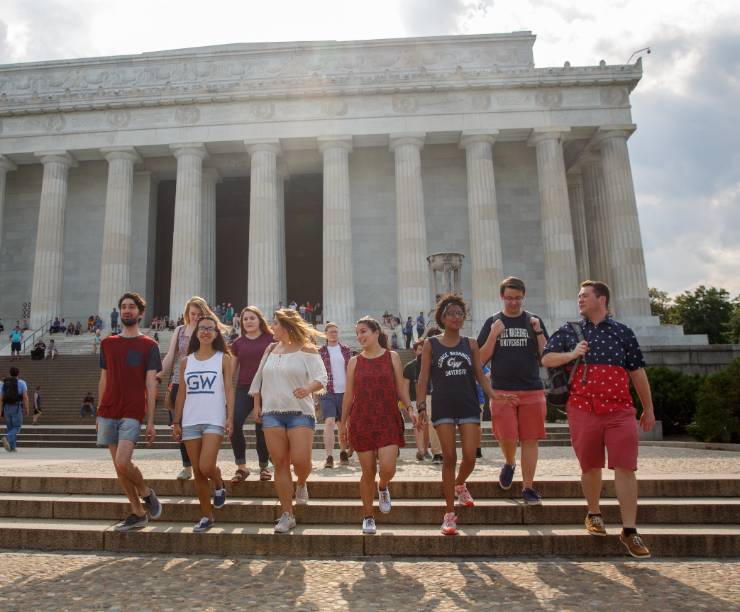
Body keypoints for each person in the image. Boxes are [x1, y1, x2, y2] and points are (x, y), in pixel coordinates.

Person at [541, 280, 656, 559]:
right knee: (590, 466)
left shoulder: (622, 332)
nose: (580, 300)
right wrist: (572, 353)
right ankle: (593, 512)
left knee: (626, 467)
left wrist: (648, 408)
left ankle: (630, 531)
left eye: (585, 296)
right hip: (583, 408)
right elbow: (546, 358)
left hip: (620, 409)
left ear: (601, 299)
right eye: (579, 296)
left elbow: (637, 371)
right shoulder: (571, 331)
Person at [417, 293, 504, 536]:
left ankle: (459, 484)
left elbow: (479, 374)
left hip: (467, 404)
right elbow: (423, 377)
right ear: (442, 318)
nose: (457, 317)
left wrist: (494, 395)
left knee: (470, 456)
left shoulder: (471, 343)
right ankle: (449, 514)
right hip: (443, 405)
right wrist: (422, 405)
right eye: (451, 313)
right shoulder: (431, 344)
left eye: (460, 313)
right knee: (449, 458)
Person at [249, 308, 328, 534]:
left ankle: (301, 482)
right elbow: (259, 379)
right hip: (272, 412)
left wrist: (308, 388)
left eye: (275, 324)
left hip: (300, 412)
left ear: (286, 326)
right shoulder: (271, 349)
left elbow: (321, 377)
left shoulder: (307, 349)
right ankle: (287, 514)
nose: (272, 327)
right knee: (280, 463)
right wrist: (257, 406)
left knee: (302, 461)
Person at [339, 317, 417, 535]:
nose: (360, 336)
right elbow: (348, 396)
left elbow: (401, 388)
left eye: (363, 331)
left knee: (388, 468)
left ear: (375, 333)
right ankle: (368, 516)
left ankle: (382, 487)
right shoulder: (354, 362)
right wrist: (342, 425)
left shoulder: (392, 357)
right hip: (362, 419)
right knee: (367, 471)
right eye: (357, 333)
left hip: (387, 417)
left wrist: (410, 409)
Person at [477, 276, 549, 504]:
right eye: (509, 298)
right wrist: (493, 335)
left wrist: (538, 332)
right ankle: (509, 462)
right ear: (502, 297)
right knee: (507, 436)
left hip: (532, 389)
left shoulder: (533, 321)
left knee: (530, 440)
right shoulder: (492, 322)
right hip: (502, 391)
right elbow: (480, 358)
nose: (514, 303)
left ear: (523, 297)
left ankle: (528, 487)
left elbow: (546, 357)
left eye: (518, 298)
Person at [96, 292, 163, 531]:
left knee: (123, 462)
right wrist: (98, 412)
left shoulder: (149, 346)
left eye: (131, 307)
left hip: (133, 410)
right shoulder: (107, 343)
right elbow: (104, 379)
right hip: (108, 410)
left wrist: (152, 421)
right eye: (123, 307)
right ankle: (137, 511)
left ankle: (146, 491)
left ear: (140, 313)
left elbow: (150, 384)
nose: (127, 310)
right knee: (118, 466)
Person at [173, 315, 234, 532]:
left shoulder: (223, 359)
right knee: (198, 473)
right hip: (190, 419)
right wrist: (176, 421)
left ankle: (218, 483)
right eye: (202, 328)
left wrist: (230, 416)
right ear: (196, 333)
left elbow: (229, 389)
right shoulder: (186, 361)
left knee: (206, 466)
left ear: (217, 334)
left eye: (210, 328)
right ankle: (207, 516)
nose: (206, 331)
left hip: (214, 418)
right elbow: (182, 393)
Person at [159, 296, 223, 480]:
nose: (195, 317)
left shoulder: (208, 331)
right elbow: (171, 355)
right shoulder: (179, 330)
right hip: (179, 381)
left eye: (199, 314)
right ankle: (187, 466)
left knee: (200, 424)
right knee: (179, 424)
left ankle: (204, 463)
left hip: (201, 382)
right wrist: (159, 374)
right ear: (187, 314)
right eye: (192, 314)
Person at [229, 306, 274, 483]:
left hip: (266, 389)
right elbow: (231, 370)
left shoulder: (271, 340)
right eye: (245, 319)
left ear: (260, 320)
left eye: (251, 318)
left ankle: (264, 467)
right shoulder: (238, 343)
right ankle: (241, 467)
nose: (248, 321)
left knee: (261, 428)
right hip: (243, 389)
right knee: (234, 424)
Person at [318, 322, 352, 469]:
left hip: (344, 392)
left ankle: (343, 452)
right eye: (331, 332)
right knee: (329, 422)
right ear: (326, 334)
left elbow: (352, 370)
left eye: (336, 332)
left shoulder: (346, 350)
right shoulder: (320, 352)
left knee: (342, 425)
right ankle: (329, 456)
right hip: (328, 392)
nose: (334, 334)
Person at [403, 339, 430, 461]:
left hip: (428, 398)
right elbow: (405, 387)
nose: (422, 352)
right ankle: (421, 450)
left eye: (424, 349)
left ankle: (426, 448)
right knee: (418, 425)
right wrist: (408, 406)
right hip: (414, 400)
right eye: (420, 349)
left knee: (428, 426)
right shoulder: (409, 366)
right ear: (415, 351)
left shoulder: (432, 364)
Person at [1, 366, 29, 451]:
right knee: (17, 427)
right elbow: (25, 397)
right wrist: (26, 408)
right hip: (16, 407)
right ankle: (7, 437)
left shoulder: (5, 384)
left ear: (10, 373)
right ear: (18, 373)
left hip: (6, 407)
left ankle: (12, 448)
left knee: (10, 427)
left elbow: (1, 398)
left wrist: (0, 411)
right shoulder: (21, 383)